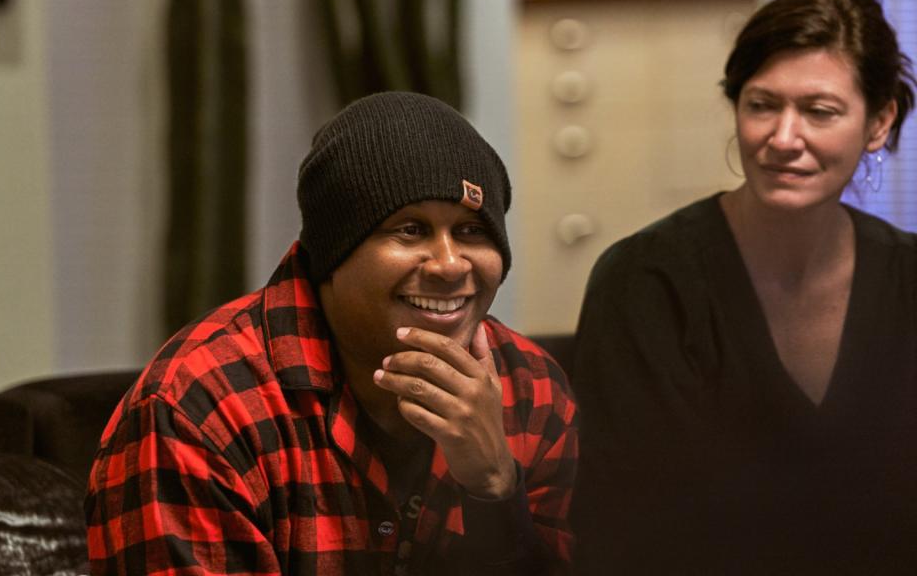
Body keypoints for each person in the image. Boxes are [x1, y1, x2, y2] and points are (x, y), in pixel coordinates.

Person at [85, 91, 577, 575]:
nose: (450, 265)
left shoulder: (531, 389)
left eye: (473, 231)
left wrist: (494, 485)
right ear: (333, 253)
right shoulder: (198, 410)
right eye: (409, 229)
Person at [570, 0, 917, 574]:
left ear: (879, 121)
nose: (784, 139)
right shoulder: (645, 282)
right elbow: (625, 533)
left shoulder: (906, 280)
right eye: (762, 105)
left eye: (819, 111)